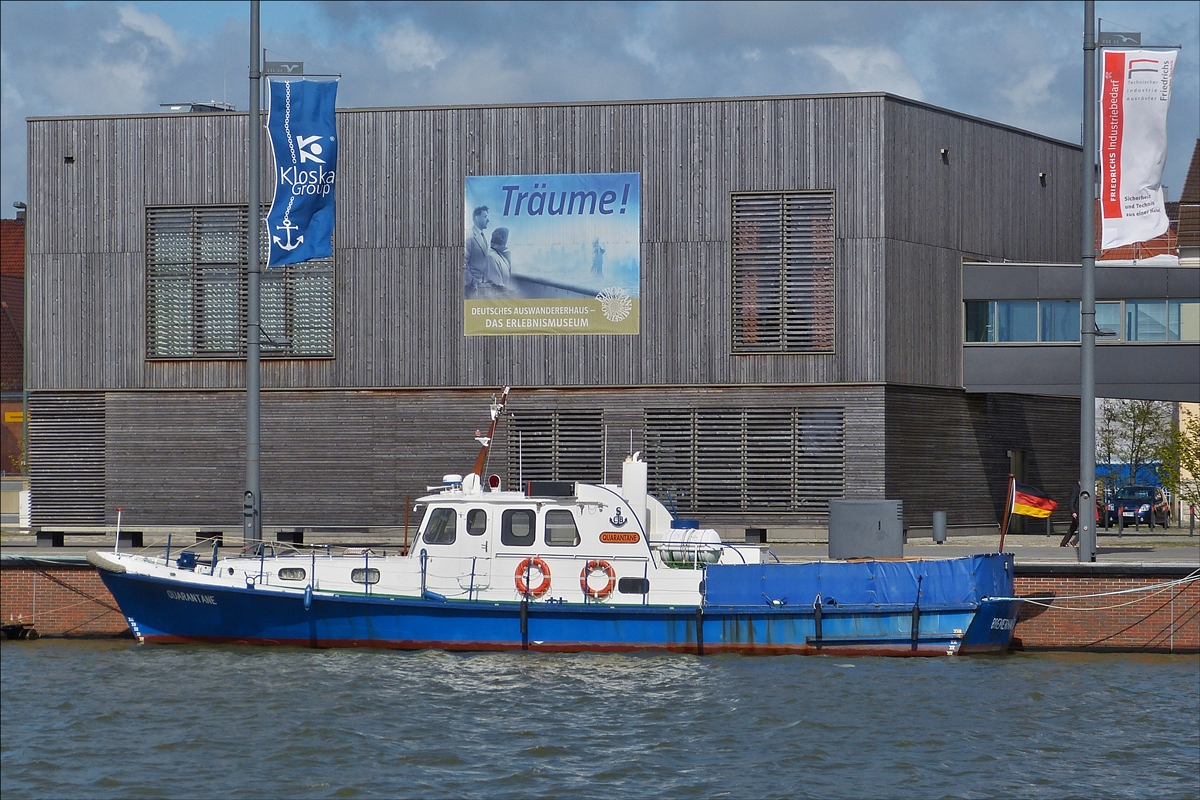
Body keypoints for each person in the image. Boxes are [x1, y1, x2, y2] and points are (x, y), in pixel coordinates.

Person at [463, 206, 490, 294]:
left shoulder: (483, 236)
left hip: (482, 286)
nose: (488, 220)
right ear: (477, 218)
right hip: (471, 287)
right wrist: (472, 282)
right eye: (485, 217)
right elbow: (463, 261)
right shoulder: (469, 235)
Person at [479, 227, 512, 296]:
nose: (506, 240)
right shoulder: (491, 257)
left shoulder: (499, 255)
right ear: (501, 238)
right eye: (506, 237)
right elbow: (496, 286)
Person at [1059, 481, 1081, 547]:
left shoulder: (1080, 488)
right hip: (1077, 511)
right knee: (1084, 527)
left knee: (1073, 528)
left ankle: (1064, 542)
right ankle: (1075, 541)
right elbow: (1072, 500)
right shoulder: (1076, 488)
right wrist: (1073, 511)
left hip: (1078, 511)